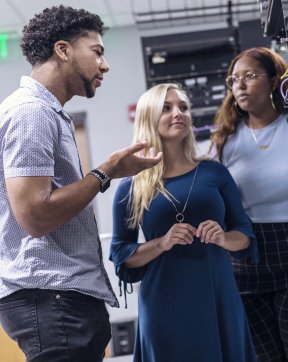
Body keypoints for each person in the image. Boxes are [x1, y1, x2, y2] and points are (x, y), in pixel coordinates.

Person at [0, 6, 162, 362]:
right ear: (63, 50)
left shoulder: (48, 113)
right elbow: (35, 216)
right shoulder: (32, 113)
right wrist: (106, 172)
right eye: (98, 52)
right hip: (51, 297)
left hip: (59, 297)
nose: (104, 65)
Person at [110, 83, 258, 362]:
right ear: (148, 118)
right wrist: (162, 243)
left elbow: (244, 234)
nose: (178, 113)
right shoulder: (131, 186)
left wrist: (224, 238)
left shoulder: (214, 172)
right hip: (164, 303)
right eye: (166, 108)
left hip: (217, 297)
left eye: (183, 107)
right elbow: (122, 255)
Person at [210, 47, 288, 361]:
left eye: (250, 76)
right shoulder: (226, 141)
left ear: (274, 80)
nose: (240, 86)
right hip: (246, 258)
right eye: (234, 80)